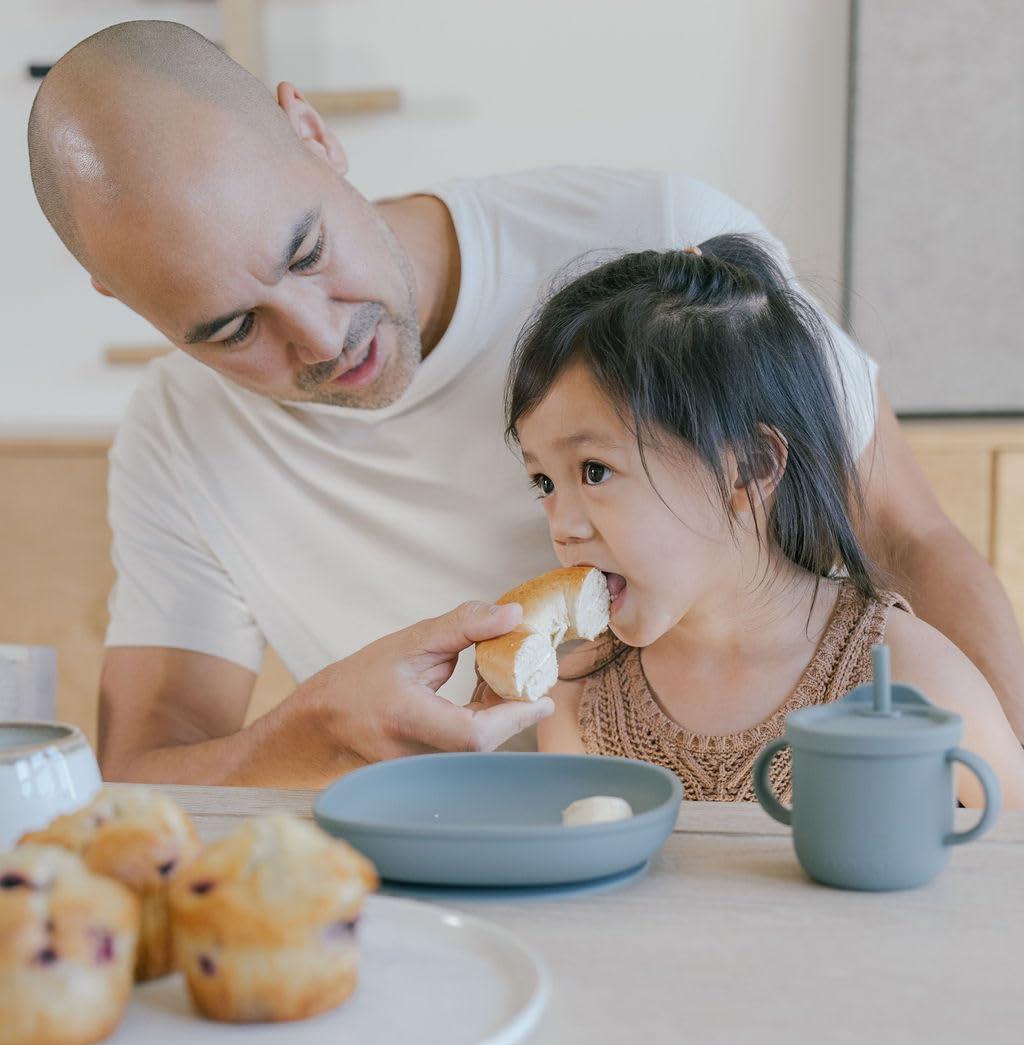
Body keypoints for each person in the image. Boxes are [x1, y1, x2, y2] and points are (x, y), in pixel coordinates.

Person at [25, 20, 1024, 788]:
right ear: (134, 306)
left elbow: (909, 537)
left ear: (314, 132)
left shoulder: (656, 249)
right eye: (230, 329)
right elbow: (140, 778)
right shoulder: (177, 438)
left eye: (307, 252)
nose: (322, 338)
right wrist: (315, 727)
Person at [499, 236, 1024, 807]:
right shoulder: (578, 699)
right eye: (544, 483)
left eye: (595, 471)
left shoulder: (900, 670)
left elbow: (1012, 843)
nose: (563, 525)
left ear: (748, 468)